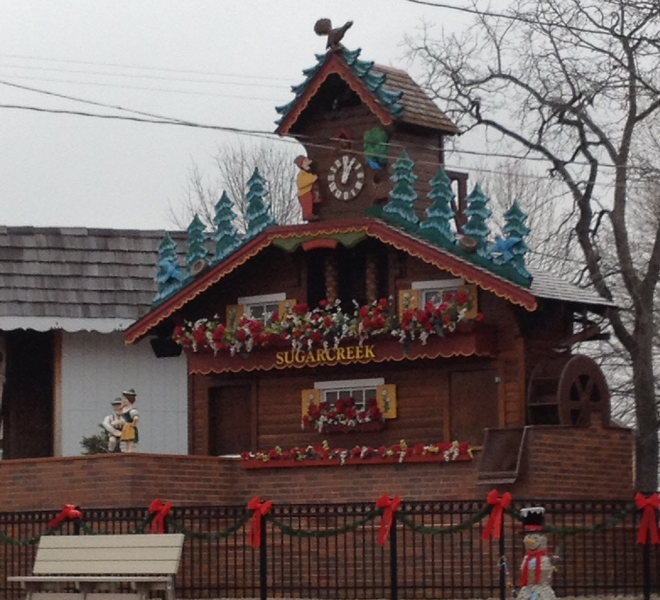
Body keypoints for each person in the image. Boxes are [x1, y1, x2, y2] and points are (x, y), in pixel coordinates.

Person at [294, 155, 321, 221]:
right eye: (305, 160)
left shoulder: (309, 170)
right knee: (307, 204)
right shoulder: (301, 174)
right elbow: (301, 183)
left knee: (310, 202)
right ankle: (307, 215)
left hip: (309, 191)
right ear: (302, 164)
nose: (307, 160)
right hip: (304, 193)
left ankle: (310, 213)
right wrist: (313, 178)